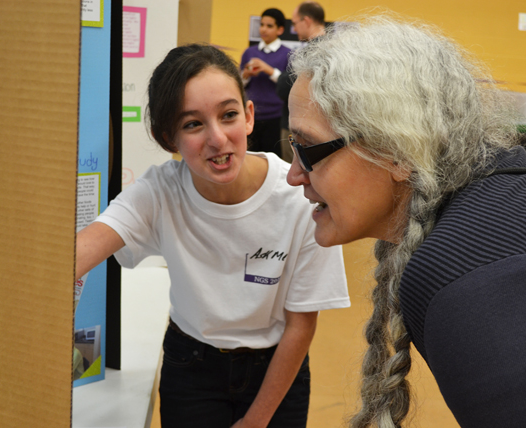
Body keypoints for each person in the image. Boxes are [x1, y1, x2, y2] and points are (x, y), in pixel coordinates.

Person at [285, 15, 526, 428]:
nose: (294, 173)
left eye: (307, 149)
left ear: (397, 151)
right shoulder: (519, 187)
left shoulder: (470, 284)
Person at [76, 44, 350, 428]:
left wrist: (257, 419)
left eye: (229, 115)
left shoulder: (298, 198)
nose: (218, 139)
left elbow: (300, 326)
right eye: (193, 124)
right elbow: (78, 253)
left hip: (276, 368)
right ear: (167, 138)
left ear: (250, 116)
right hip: (190, 367)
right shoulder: (160, 192)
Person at [276, 1, 326, 163]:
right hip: (321, 126)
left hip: (299, 126)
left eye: (295, 23)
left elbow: (283, 88)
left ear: (307, 21)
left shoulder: (309, 53)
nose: (294, 28)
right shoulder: (334, 50)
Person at [240, 8, 292, 159]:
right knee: (249, 158)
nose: (263, 29)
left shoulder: (288, 54)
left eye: (269, 26)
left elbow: (288, 84)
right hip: (251, 116)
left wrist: (268, 69)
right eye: (262, 25)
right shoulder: (249, 52)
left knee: (273, 160)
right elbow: (240, 83)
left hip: (276, 118)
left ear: (280, 29)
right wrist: (246, 74)